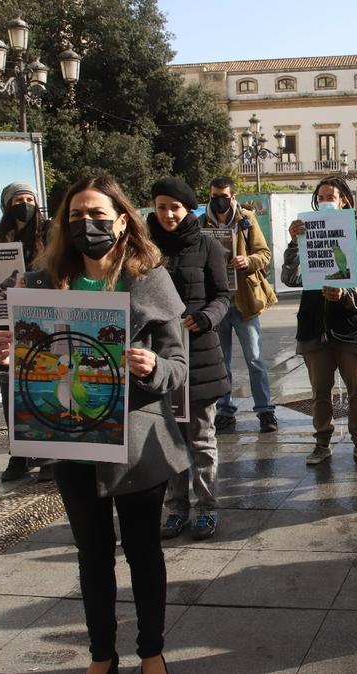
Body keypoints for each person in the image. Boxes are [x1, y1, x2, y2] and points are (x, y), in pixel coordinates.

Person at [0, 175, 187, 674]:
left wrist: (153, 367)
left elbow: (177, 366)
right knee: (92, 555)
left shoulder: (150, 278)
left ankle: (151, 651)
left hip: (139, 441)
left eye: (98, 215)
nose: (87, 225)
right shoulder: (39, 283)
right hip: (71, 439)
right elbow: (27, 364)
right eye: (76, 216)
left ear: (122, 220)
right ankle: (102, 655)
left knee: (144, 555)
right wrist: (4, 359)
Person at [148, 178, 232, 541]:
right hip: (156, 357)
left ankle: (207, 507)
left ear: (188, 209)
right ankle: (176, 508)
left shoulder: (208, 246)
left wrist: (204, 318)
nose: (168, 214)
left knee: (200, 437)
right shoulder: (144, 249)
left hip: (199, 357)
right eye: (161, 206)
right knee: (168, 438)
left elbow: (223, 296)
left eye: (175, 207)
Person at [281, 176, 357, 465]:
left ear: (344, 201)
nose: (325, 200)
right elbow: (290, 278)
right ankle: (322, 442)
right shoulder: (306, 233)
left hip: (351, 327)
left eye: (331, 196)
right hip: (314, 325)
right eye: (321, 196)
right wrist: (293, 243)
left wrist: (346, 294)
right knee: (319, 392)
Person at [0, 181, 53, 482]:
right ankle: (19, 454)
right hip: (3, 323)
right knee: (9, 389)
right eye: (18, 199)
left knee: (43, 383)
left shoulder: (50, 232)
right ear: (6, 205)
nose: (25, 203)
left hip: (40, 319)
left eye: (30, 198)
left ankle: (49, 455)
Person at [199, 177, 279, 435]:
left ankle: (265, 410)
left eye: (223, 196)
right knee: (221, 361)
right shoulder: (201, 223)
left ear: (233, 197)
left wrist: (248, 260)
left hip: (245, 301)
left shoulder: (246, 220)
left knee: (255, 359)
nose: (218, 201)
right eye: (214, 196)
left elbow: (264, 253)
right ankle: (224, 411)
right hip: (217, 304)